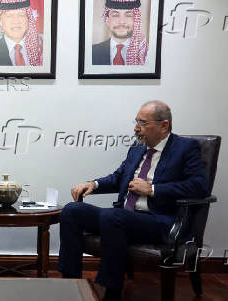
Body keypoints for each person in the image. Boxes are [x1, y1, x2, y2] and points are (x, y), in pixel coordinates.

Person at [59, 101, 208, 301]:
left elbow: (199, 187)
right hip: (122, 217)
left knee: (113, 217)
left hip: (158, 220)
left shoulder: (186, 148)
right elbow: (119, 177)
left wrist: (154, 189)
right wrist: (93, 184)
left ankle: (111, 292)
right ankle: (71, 284)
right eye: (136, 121)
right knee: (72, 210)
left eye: (143, 123)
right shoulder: (138, 148)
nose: (136, 127)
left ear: (164, 126)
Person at [92, 0, 148, 65]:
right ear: (107, 21)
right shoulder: (92, 52)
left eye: (128, 15)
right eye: (115, 15)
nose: (121, 21)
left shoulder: (145, 54)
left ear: (135, 20)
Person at [0, 0, 42, 66]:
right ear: (0, 21)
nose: (16, 21)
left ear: (28, 19)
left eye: (21, 15)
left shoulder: (42, 50)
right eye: (9, 16)